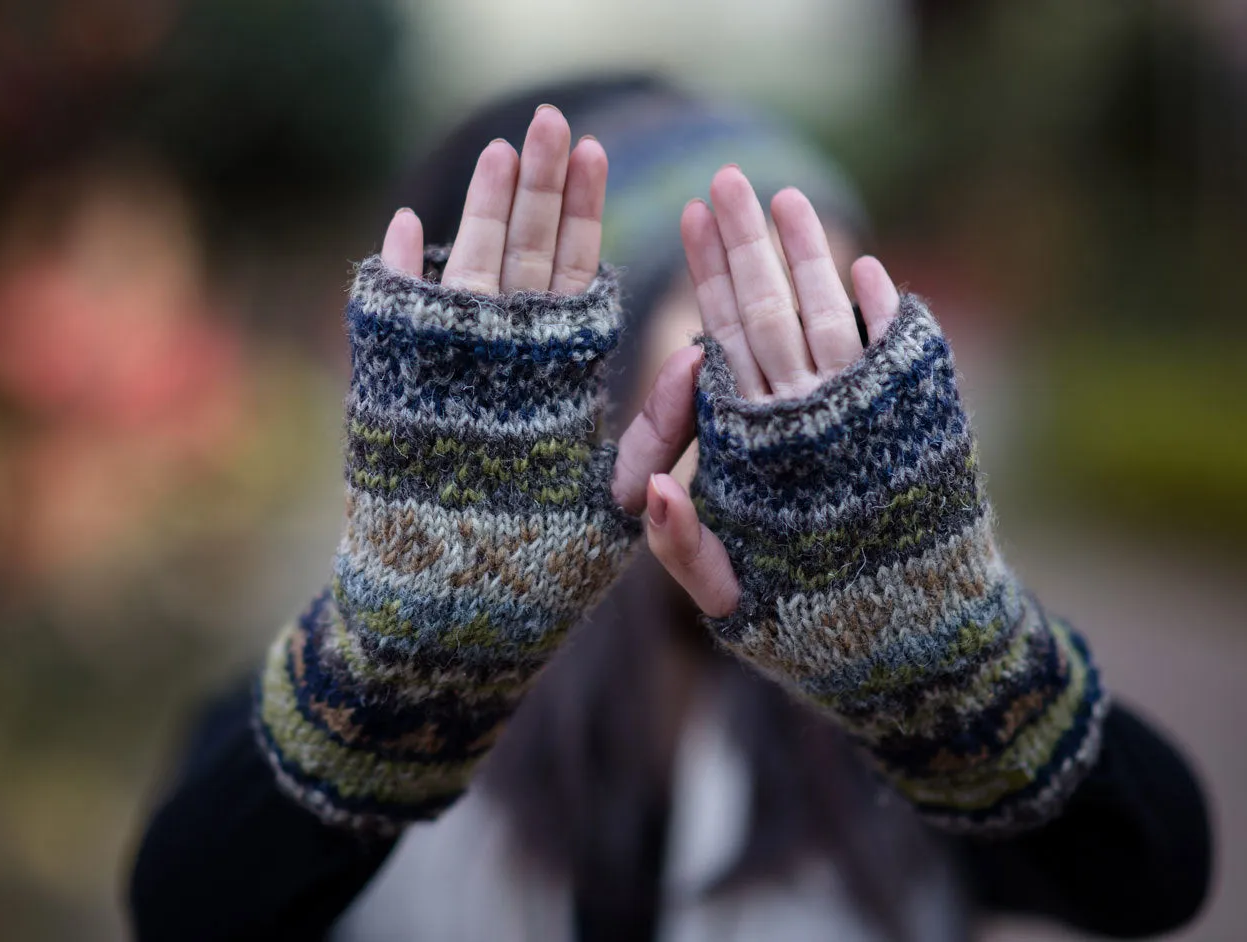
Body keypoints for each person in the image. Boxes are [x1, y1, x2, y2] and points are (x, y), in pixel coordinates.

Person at [129, 76, 1211, 942]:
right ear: (567, 382)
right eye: (744, 304)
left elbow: (1157, 875)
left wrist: (948, 674)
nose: (814, 382)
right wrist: (402, 684)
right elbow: (182, 908)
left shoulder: (892, 738)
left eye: (833, 313)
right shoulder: (347, 672)